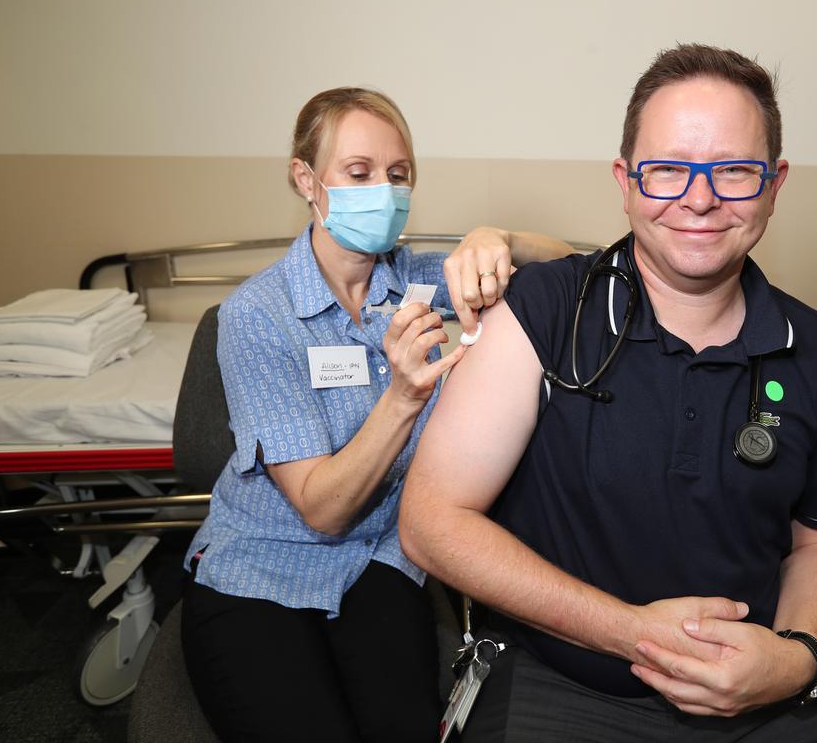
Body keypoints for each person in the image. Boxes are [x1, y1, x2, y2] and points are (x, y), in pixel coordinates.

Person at [400, 45, 817, 741]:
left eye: (733, 170)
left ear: (775, 183)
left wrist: (794, 657)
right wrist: (631, 633)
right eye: (667, 170)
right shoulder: (546, 312)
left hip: (756, 688)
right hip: (567, 680)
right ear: (626, 181)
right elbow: (431, 522)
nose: (700, 198)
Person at [180, 86, 573, 743]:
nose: (383, 193)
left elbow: (569, 267)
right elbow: (323, 509)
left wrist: (493, 236)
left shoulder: (419, 280)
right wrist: (403, 397)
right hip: (263, 565)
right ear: (306, 180)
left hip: (382, 561)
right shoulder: (257, 316)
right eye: (359, 174)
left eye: (398, 176)